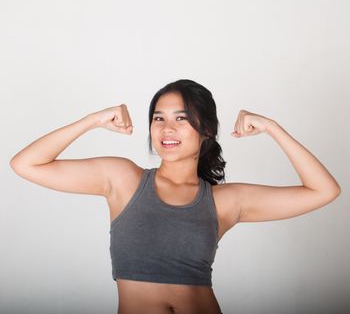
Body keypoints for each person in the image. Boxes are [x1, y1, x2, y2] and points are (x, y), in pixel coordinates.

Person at [10, 79, 341, 314]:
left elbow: (324, 191)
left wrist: (272, 128)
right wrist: (93, 120)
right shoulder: (123, 179)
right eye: (159, 118)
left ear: (206, 129)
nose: (167, 129)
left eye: (181, 119)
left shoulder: (224, 201)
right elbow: (25, 164)